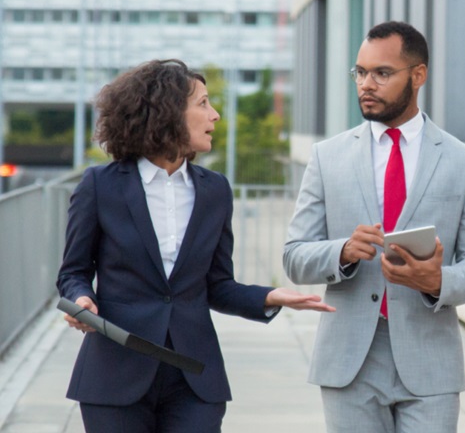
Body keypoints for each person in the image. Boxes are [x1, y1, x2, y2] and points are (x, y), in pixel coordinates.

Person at [56, 59, 335, 433]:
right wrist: (81, 299)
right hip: (115, 372)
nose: (215, 115)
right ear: (166, 112)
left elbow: (217, 285)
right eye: (203, 103)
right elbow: (74, 272)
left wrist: (270, 297)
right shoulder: (100, 185)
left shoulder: (215, 190)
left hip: (193, 377)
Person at [283, 21, 465, 433]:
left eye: (381, 73)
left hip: (430, 361)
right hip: (349, 360)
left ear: (418, 76)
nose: (367, 84)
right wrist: (342, 251)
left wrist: (438, 280)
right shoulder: (327, 157)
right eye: (360, 73)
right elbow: (294, 256)